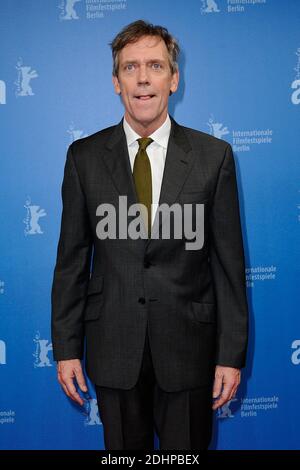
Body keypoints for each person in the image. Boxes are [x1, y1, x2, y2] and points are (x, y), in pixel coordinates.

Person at [51, 19, 248, 450]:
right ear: (116, 81)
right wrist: (66, 349)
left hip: (189, 353)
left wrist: (230, 356)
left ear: (174, 79)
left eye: (156, 66)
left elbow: (229, 266)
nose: (143, 78)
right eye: (131, 67)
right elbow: (71, 261)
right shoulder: (83, 157)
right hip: (113, 351)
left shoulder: (214, 158)